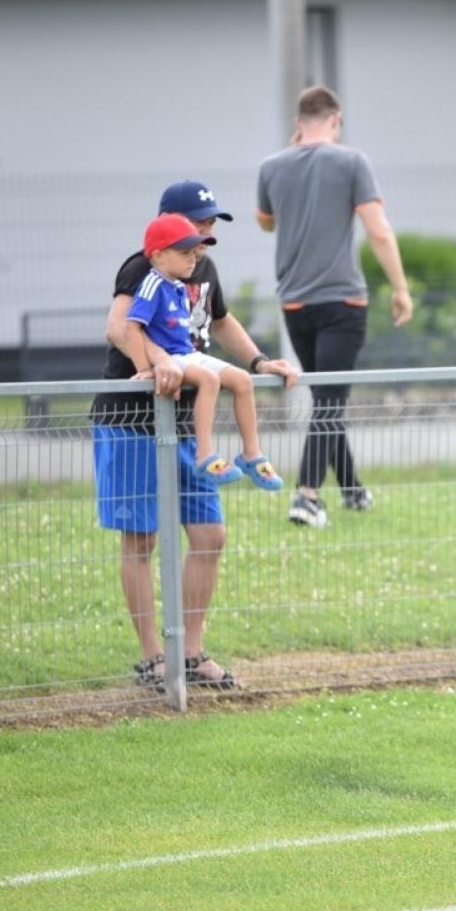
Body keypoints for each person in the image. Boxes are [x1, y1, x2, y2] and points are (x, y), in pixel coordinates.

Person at [92, 180, 298, 691]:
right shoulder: (145, 265)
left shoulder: (201, 267)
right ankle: (152, 658)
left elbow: (220, 323)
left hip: (186, 421)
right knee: (141, 537)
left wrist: (257, 360)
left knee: (210, 534)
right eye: (197, 224)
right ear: (169, 225)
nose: (204, 236)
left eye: (209, 226)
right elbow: (119, 327)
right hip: (133, 419)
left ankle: (190, 651)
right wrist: (158, 362)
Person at [257, 85, 414, 528]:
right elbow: (378, 230)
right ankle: (306, 495)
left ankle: (351, 489)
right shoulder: (351, 161)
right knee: (329, 397)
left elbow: (265, 221)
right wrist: (400, 288)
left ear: (297, 124)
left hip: (294, 303)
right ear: (336, 119)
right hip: (343, 300)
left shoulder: (272, 166)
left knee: (327, 395)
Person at [123, 213, 283, 489]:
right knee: (209, 380)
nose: (193, 258)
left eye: (194, 252)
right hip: (173, 357)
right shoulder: (151, 283)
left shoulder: (178, 287)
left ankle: (251, 454)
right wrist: (144, 368)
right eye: (185, 252)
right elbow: (131, 328)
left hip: (187, 353)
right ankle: (205, 455)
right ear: (159, 256)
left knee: (243, 380)